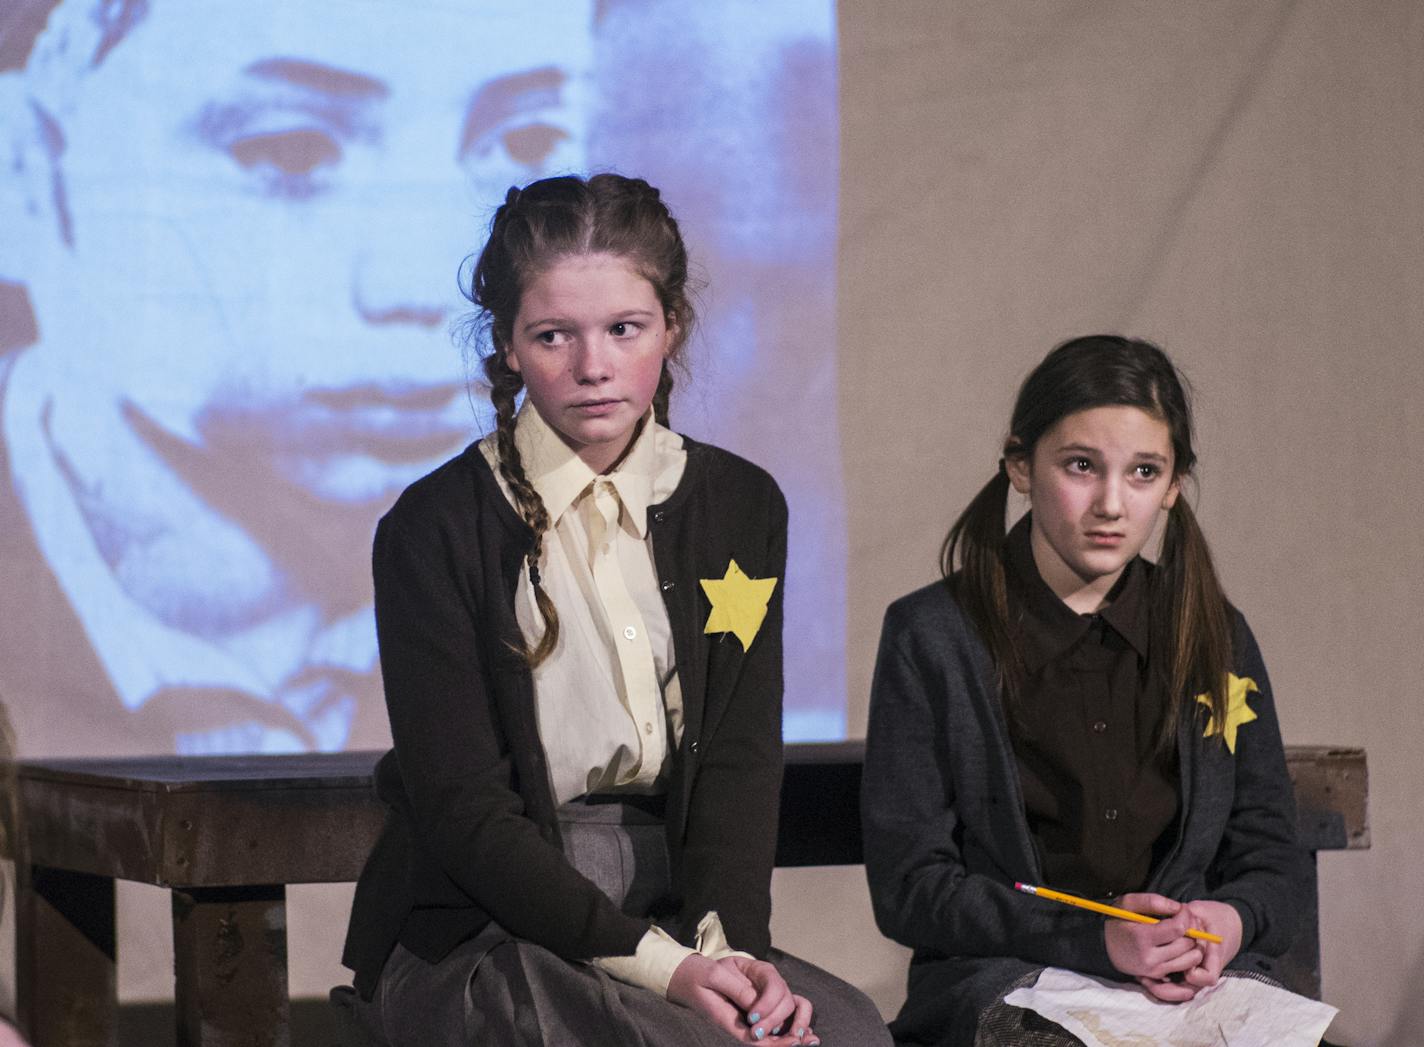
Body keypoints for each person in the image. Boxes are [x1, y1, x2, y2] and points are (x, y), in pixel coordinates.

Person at [337, 174, 889, 1046]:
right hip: (493, 917)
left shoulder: (740, 506)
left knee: (848, 1034)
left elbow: (738, 763)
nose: (592, 367)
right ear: (510, 346)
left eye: (623, 329)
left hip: (680, 908)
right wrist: (664, 968)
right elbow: (467, 814)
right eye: (553, 335)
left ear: (670, 326)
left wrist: (729, 954)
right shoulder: (437, 525)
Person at [0, 0, 592, 756]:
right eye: (291, 149)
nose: (423, 285)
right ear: (26, 172)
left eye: (523, 144)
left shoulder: (579, 565)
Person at [860, 336, 1309, 1045]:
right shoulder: (934, 635)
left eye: (1142, 472)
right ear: (1019, 465)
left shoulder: (1215, 633)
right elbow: (911, 885)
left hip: (1192, 987)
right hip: (1009, 975)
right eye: (1080, 466)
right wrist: (1093, 939)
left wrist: (1230, 921)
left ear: (1173, 485)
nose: (1110, 503)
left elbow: (1273, 857)